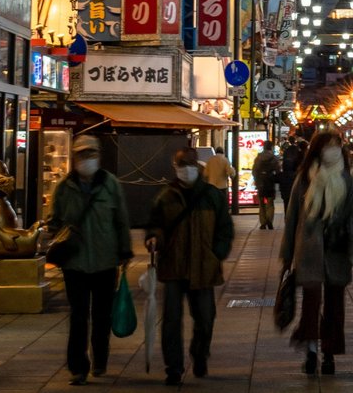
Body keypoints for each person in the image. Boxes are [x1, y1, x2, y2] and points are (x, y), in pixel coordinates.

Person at [280, 130, 353, 376]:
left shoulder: (348, 180)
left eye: (337, 145)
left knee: (334, 305)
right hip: (309, 250)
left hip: (337, 251)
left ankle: (329, 352)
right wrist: (287, 254)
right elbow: (292, 219)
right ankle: (310, 350)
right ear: (317, 150)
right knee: (311, 302)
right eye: (328, 146)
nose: (333, 150)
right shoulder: (305, 179)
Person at [146, 146, 235, 386]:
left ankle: (200, 353)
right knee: (172, 321)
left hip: (203, 266)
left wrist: (216, 253)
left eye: (188, 164)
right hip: (174, 266)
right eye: (180, 165)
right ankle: (173, 367)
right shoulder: (166, 196)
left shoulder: (211, 195)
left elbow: (225, 229)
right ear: (175, 168)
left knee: (205, 318)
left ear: (197, 165)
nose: (185, 169)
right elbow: (155, 225)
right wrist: (154, 238)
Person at [49, 134, 133, 387]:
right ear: (74, 157)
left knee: (102, 315)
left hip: (106, 260)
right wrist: (58, 240)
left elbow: (121, 220)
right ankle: (78, 367)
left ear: (98, 156)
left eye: (91, 154)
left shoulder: (111, 185)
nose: (86, 159)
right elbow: (54, 221)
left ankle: (100, 359)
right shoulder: (64, 188)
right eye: (82, 154)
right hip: (75, 262)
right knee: (78, 315)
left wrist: (125, 251)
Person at [252, 140, 281, 230]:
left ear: (264, 147)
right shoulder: (274, 158)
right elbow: (278, 171)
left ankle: (263, 222)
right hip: (270, 183)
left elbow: (254, 171)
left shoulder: (258, 157)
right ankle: (269, 221)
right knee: (270, 203)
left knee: (261, 204)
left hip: (260, 183)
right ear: (271, 147)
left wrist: (257, 181)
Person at [280, 135, 305, 211]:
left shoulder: (286, 149)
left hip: (286, 182)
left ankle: (287, 218)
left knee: (287, 203)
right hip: (296, 179)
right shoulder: (298, 151)